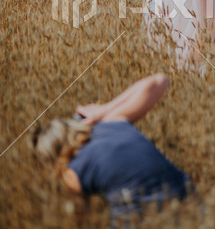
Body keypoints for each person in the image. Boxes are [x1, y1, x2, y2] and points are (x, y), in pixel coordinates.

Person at [29, 73, 194, 226]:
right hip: (191, 203)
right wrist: (104, 110)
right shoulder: (112, 122)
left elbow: (82, 219)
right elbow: (160, 80)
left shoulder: (71, 172)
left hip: (142, 222)